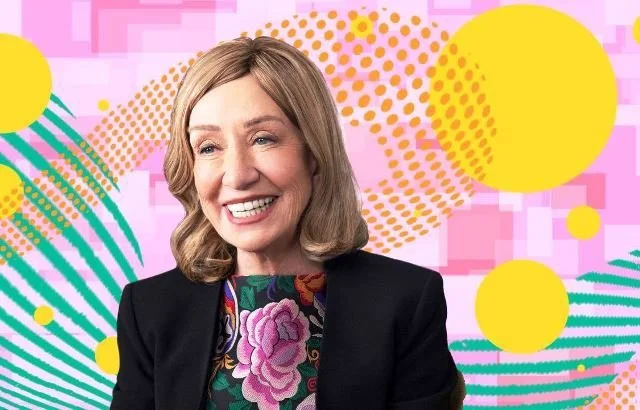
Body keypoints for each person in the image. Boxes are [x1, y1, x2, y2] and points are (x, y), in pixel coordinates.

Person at [110, 36, 465, 410]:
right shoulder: (149, 309)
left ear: (314, 154)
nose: (238, 175)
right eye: (209, 147)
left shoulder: (406, 301)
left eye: (263, 139)